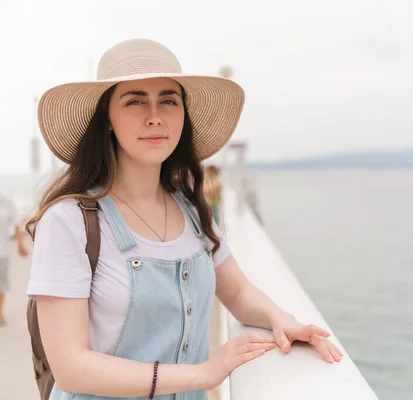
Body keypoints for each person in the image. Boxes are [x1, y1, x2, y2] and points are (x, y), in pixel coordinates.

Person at [25, 38, 342, 400]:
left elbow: (236, 291)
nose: (155, 115)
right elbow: (71, 368)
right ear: (107, 120)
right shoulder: (68, 221)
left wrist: (282, 321)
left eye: (168, 100)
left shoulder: (191, 209)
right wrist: (203, 374)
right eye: (135, 101)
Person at [0, 192, 28, 326]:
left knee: (1, 285)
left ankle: (0, 313)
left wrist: (20, 245)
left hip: (2, 252)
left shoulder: (6, 201)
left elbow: (17, 223)